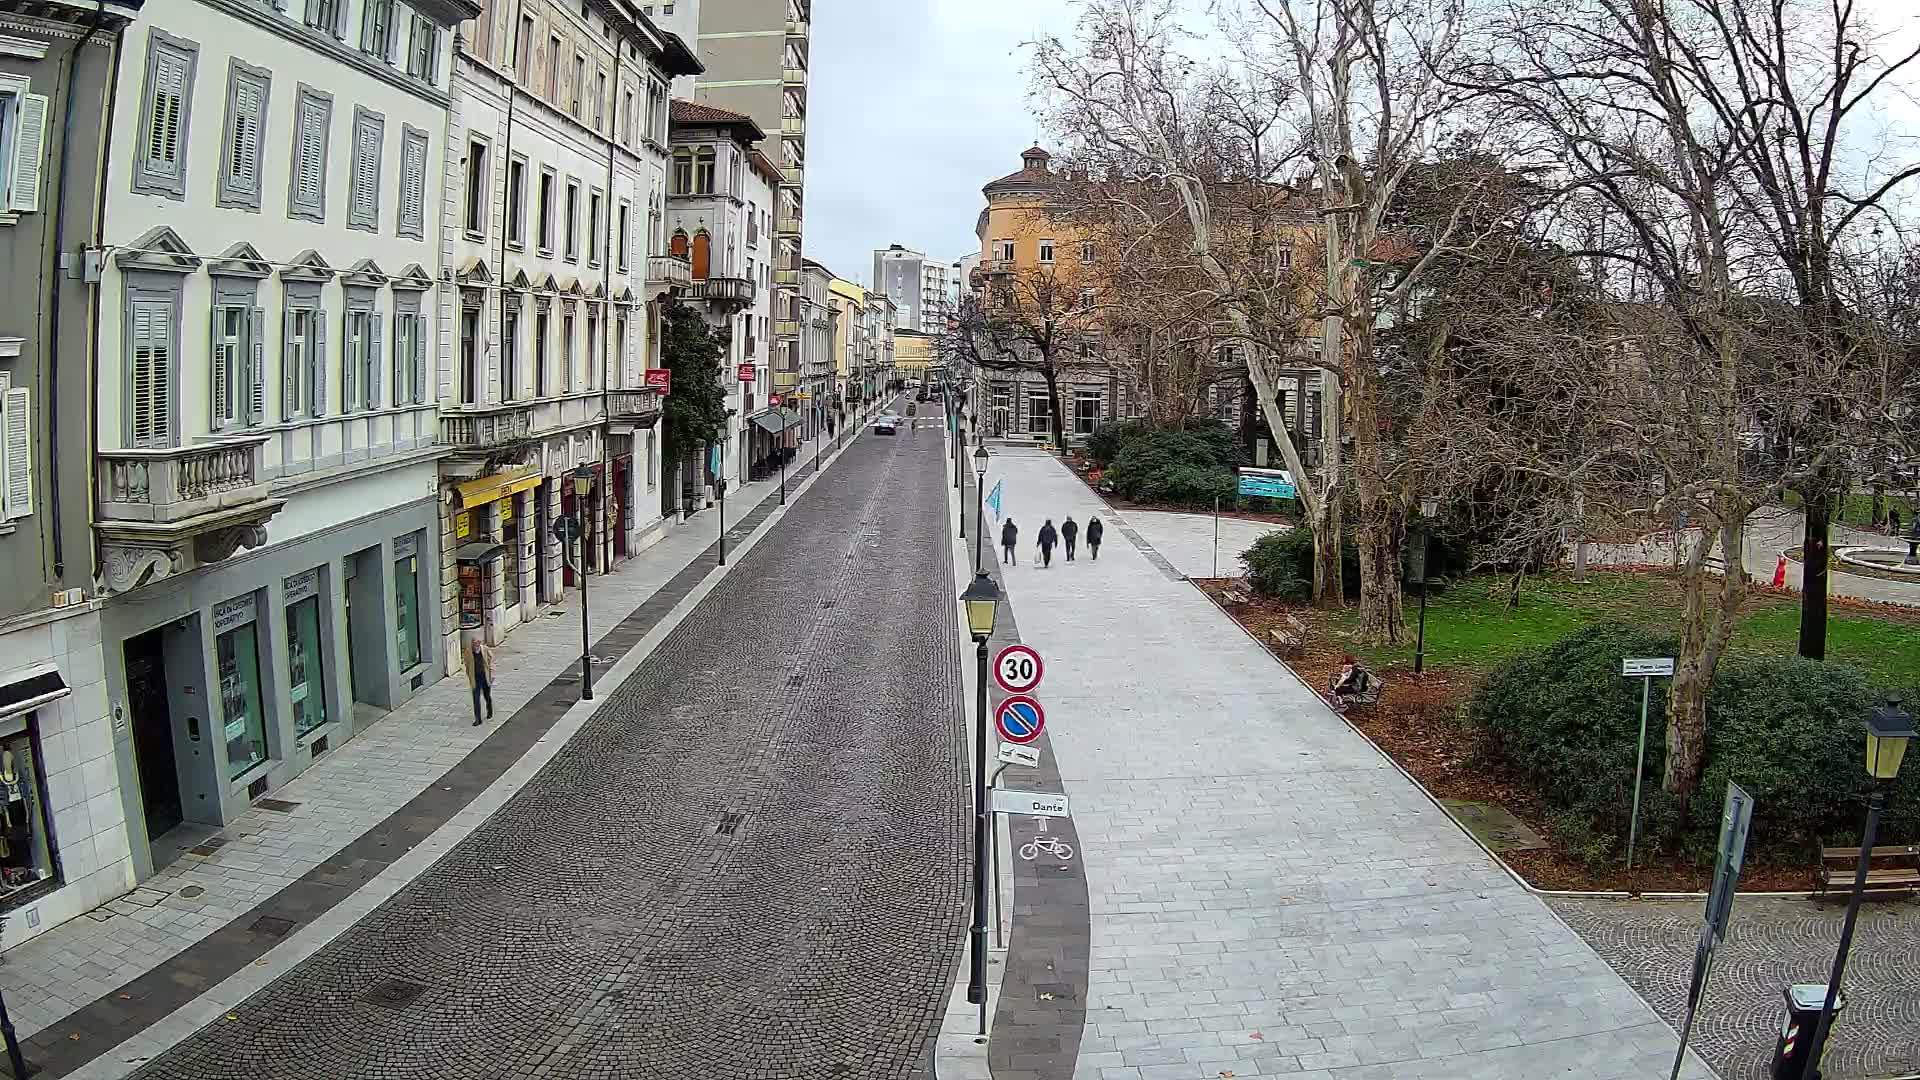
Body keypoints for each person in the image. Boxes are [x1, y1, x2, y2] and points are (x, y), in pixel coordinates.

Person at [463, 636, 496, 727]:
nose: (475, 645)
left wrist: (492, 674)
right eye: (473, 643)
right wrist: (469, 675)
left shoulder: (485, 649)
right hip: (475, 678)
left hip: (484, 677)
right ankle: (478, 719)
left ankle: (489, 710)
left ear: (480, 643)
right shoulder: (468, 652)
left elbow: (491, 661)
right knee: (476, 698)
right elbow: (467, 664)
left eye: (477, 643)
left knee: (487, 696)